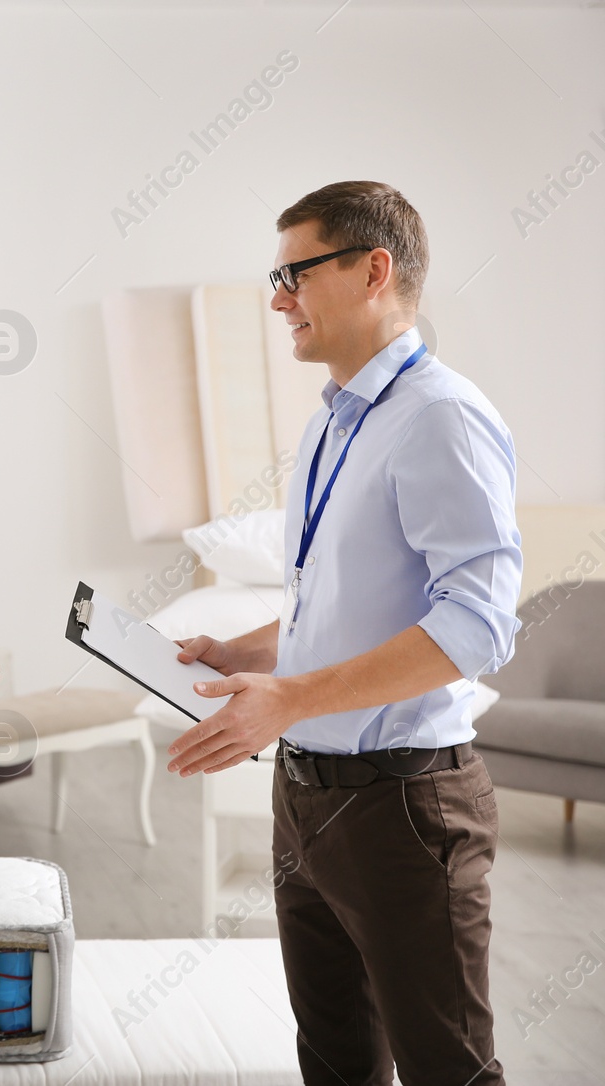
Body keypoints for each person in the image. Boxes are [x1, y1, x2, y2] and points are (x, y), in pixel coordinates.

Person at [167, 181, 520, 1084]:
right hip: (307, 797)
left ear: (374, 270)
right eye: (273, 274)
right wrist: (244, 655)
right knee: (334, 1061)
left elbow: (477, 624)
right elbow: (338, 599)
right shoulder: (333, 416)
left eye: (295, 272)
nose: (277, 297)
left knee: (447, 1067)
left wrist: (289, 699)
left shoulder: (440, 416)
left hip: (404, 807)